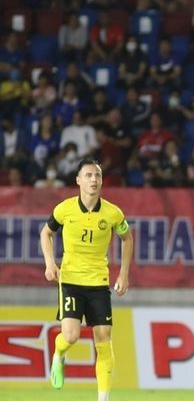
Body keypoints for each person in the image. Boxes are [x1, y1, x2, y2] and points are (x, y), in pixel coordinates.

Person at [40, 158, 133, 401]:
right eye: (89, 175)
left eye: (97, 176)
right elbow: (46, 232)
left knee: (103, 339)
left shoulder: (113, 213)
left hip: (99, 283)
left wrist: (123, 273)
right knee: (71, 336)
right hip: (70, 280)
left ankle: (103, 399)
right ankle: (59, 355)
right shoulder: (65, 209)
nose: (94, 180)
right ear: (78, 180)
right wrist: (50, 263)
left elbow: (127, 238)